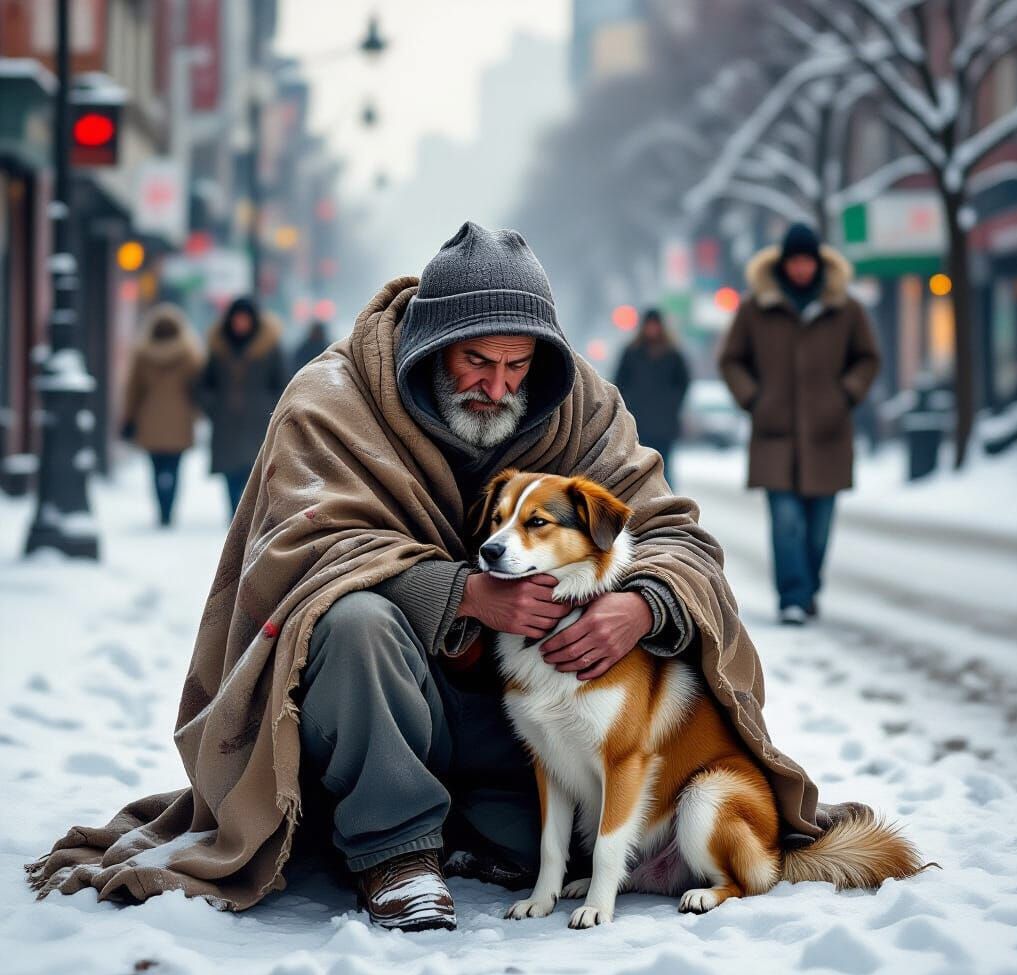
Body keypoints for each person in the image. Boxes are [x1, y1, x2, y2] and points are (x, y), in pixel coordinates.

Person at [28, 223, 867, 933]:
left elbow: (672, 533)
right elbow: (305, 554)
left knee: (550, 801)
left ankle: (492, 835)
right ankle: (396, 853)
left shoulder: (585, 409)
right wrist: (462, 592)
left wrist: (642, 610)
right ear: (431, 347)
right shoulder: (332, 399)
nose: (497, 386)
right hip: (385, 709)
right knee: (353, 620)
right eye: (475, 363)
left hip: (524, 729)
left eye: (517, 367)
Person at [718, 223, 880, 626]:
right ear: (784, 262)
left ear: (819, 262)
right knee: (786, 522)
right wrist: (753, 398)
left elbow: (868, 358)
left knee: (819, 529)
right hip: (775, 436)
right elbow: (731, 359)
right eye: (795, 261)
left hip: (828, 435)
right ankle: (792, 596)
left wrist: (845, 394)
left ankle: (808, 589)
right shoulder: (756, 307)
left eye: (808, 261)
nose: (802, 268)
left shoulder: (846, 308)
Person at [198, 296, 287, 516]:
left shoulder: (269, 348)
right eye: (237, 319)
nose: (241, 324)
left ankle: (247, 519)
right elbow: (205, 384)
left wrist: (269, 409)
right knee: (230, 475)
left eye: (245, 319)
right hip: (226, 423)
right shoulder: (219, 346)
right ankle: (234, 516)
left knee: (254, 472)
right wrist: (213, 408)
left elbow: (282, 383)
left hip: (257, 422)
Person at [120, 303, 203, 527]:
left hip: (150, 421)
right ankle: (170, 508)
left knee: (156, 468)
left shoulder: (142, 354)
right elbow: (197, 387)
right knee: (174, 467)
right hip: (179, 420)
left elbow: (133, 389)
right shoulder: (188, 353)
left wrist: (128, 418)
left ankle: (161, 509)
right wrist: (198, 413)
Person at [613, 309, 691, 489]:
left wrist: (671, 405)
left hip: (665, 425)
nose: (652, 329)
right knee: (639, 468)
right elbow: (619, 384)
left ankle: (668, 508)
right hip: (637, 422)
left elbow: (683, 384)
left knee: (665, 469)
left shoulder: (673, 355)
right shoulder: (631, 353)